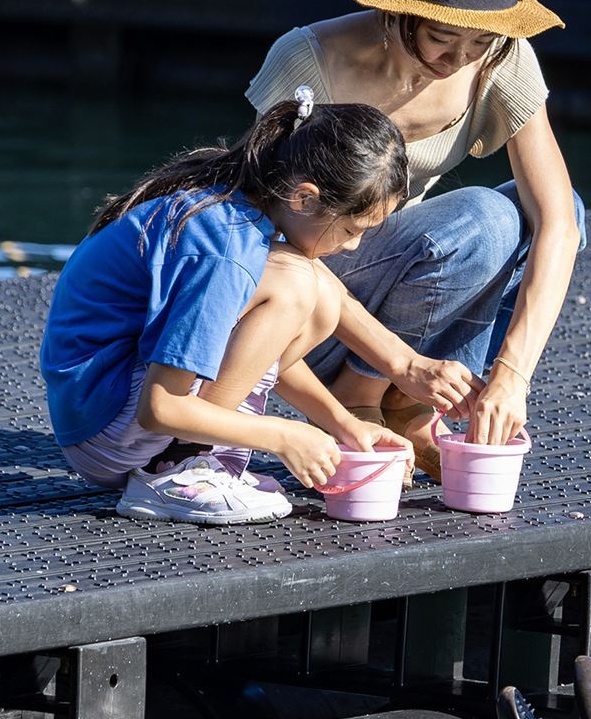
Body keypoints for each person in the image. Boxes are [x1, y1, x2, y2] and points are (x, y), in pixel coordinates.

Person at [247, 0, 584, 481]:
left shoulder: (503, 59)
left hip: (408, 299)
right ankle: (359, 393)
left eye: (481, 42)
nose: (459, 61)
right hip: (309, 305)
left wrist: (511, 374)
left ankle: (412, 405)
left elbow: (558, 221)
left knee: (554, 214)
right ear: (396, 14)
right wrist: (397, 360)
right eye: (441, 38)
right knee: (484, 217)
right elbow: (261, 236)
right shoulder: (310, 59)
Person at [40, 89, 411, 526]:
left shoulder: (239, 200)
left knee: (322, 295)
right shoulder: (225, 249)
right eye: (351, 228)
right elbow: (159, 408)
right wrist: (284, 435)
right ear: (304, 199)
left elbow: (254, 353)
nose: (353, 245)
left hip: (105, 407)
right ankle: (176, 470)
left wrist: (343, 424)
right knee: (296, 283)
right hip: (105, 427)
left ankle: (191, 455)